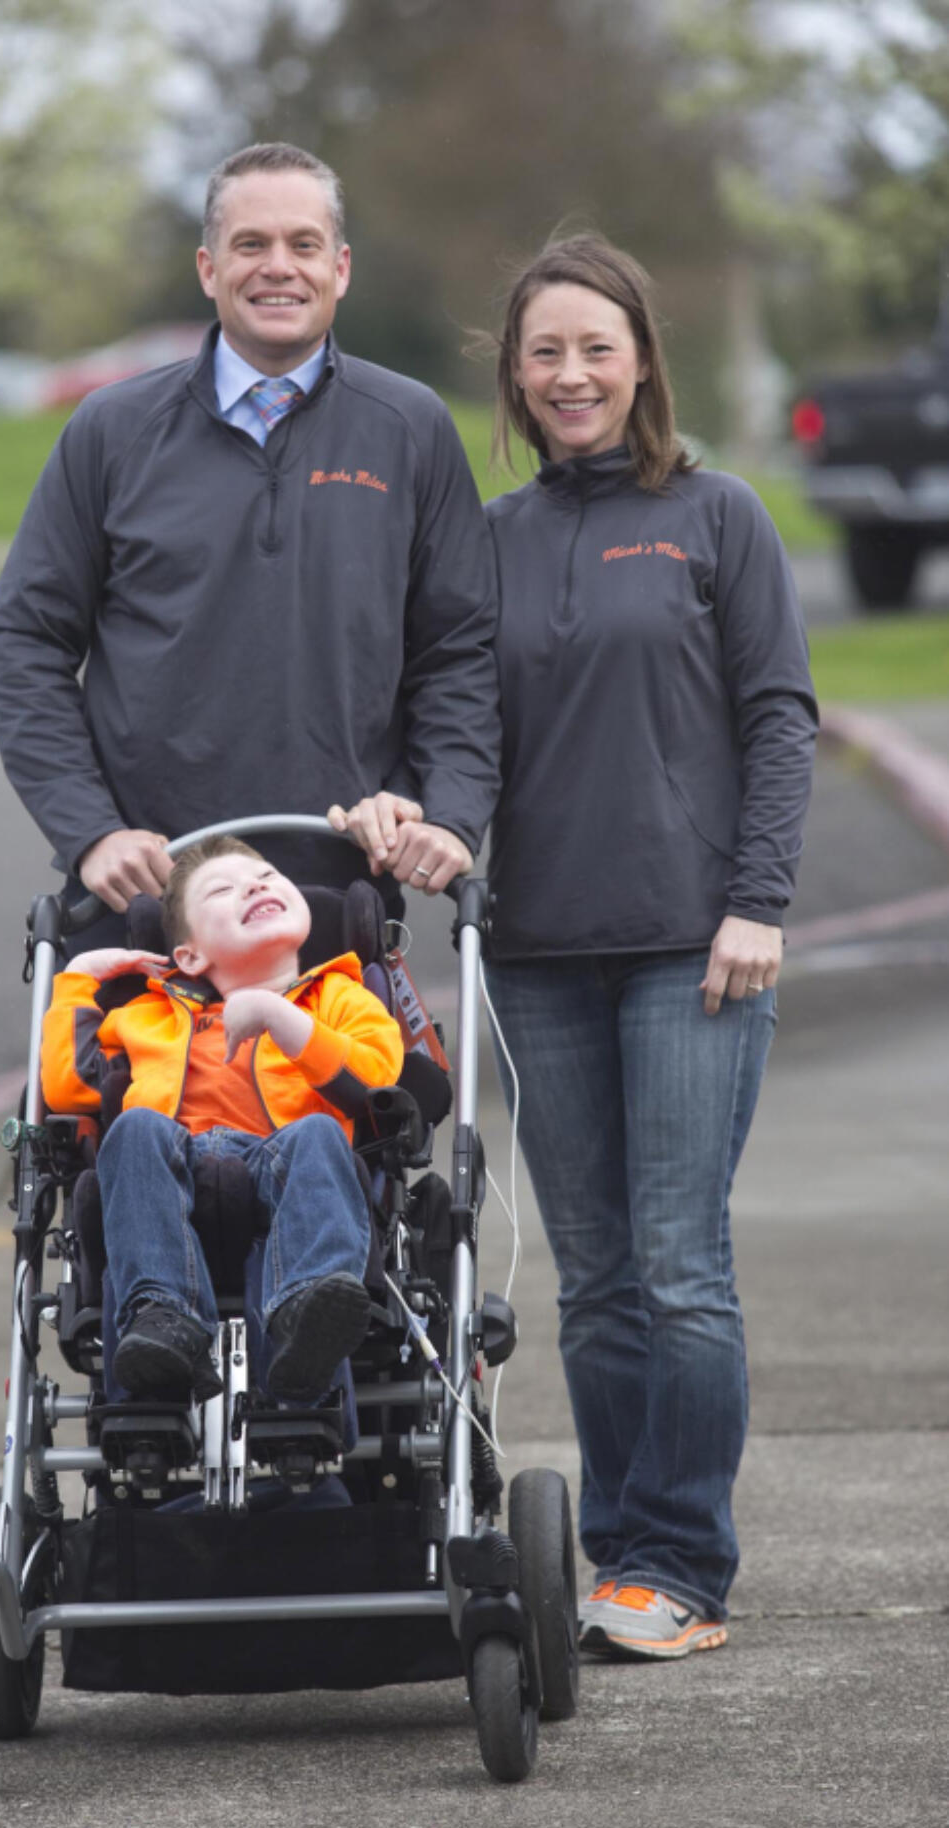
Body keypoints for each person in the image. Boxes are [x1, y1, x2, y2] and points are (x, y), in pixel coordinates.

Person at [482, 234, 819, 1660]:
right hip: (538, 953)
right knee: (595, 1269)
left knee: (680, 1262)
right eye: (544, 350)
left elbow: (780, 718)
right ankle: (615, 1546)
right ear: (513, 371)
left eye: (594, 347)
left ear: (639, 361)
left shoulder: (716, 515)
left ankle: (683, 1556)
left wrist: (759, 900)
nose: (570, 373)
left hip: (694, 952)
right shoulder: (487, 539)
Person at [0, 142, 500, 929]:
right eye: (250, 244)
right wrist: (91, 831)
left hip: (342, 901)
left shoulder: (411, 428)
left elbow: (459, 648)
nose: (278, 267)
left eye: (304, 244)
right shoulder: (111, 431)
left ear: (342, 268)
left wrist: (450, 810)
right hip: (149, 895)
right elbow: (27, 640)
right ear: (207, 267)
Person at [40, 836, 404, 1404]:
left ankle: (306, 1317)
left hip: (286, 1164)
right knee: (132, 1130)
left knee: (320, 1132)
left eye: (265, 875)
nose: (255, 886)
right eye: (223, 890)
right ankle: (164, 1316)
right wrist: (79, 979)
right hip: (175, 1166)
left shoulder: (340, 996)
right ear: (188, 956)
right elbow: (71, 1087)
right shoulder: (147, 1015)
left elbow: (378, 1079)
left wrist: (279, 1017)